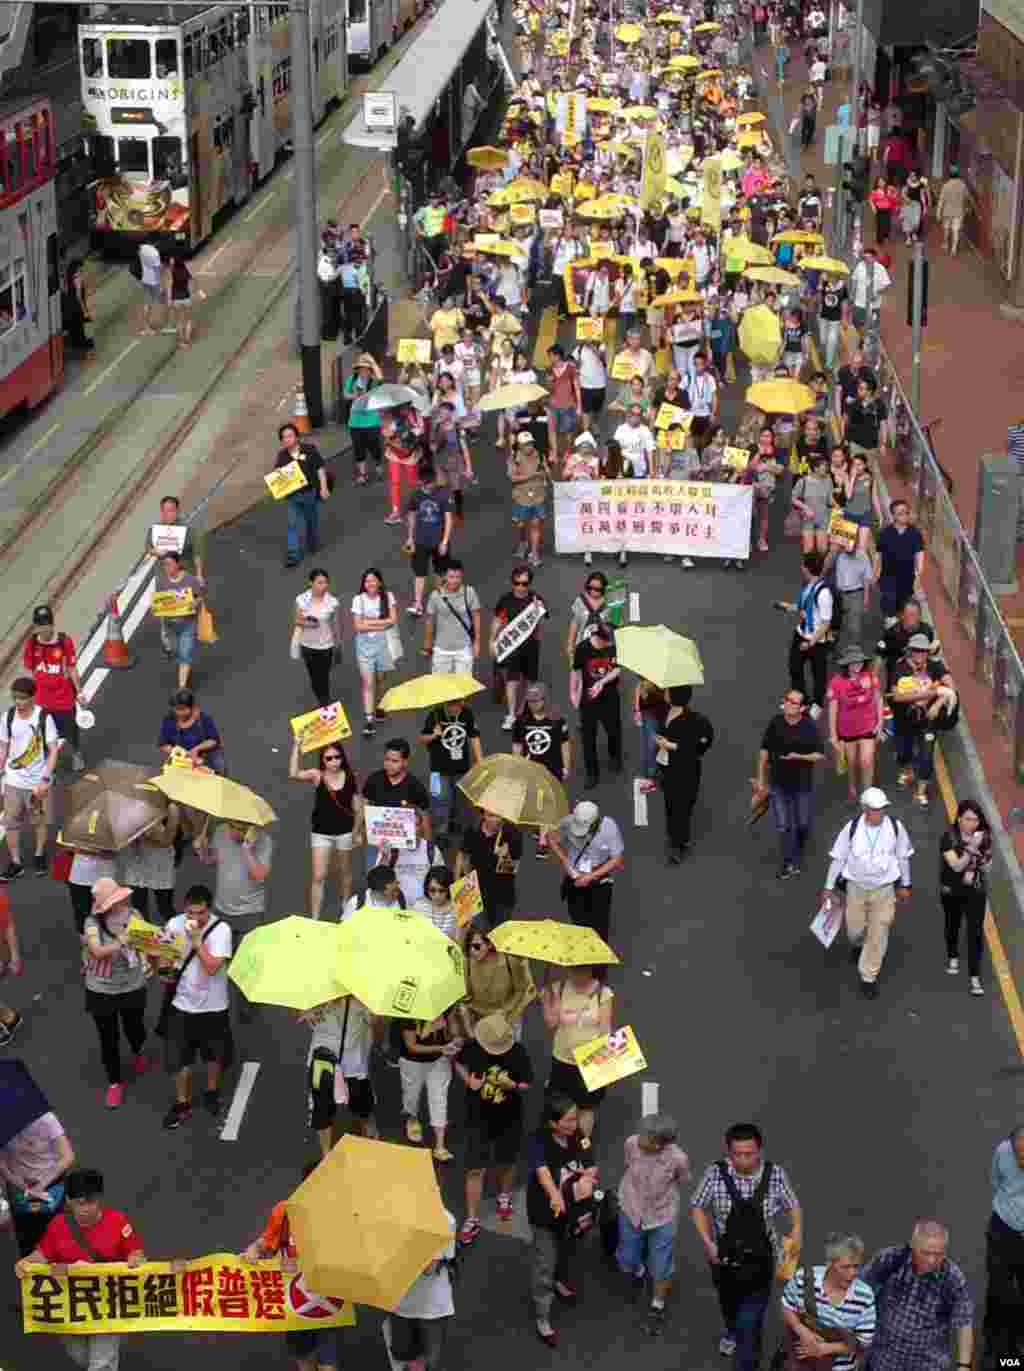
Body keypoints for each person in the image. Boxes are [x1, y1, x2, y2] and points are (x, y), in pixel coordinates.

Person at [690, 1122, 802, 1371]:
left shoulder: (775, 1175)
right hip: (723, 1261)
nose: (742, 1160)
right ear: (728, 1152)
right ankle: (733, 1330)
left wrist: (796, 1229)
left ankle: (747, 1356)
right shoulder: (715, 1173)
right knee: (729, 1305)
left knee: (749, 1324)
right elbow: (698, 1206)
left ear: (759, 1151)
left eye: (748, 1154)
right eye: (736, 1154)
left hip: (761, 1261)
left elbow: (792, 1205)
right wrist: (707, 1242)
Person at [15, 1167, 146, 1371]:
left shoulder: (117, 1221)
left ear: (99, 1199)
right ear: (68, 1201)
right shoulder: (58, 1225)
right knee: (80, 1355)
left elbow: (135, 1253)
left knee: (100, 1363)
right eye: (79, 1203)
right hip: (71, 1304)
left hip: (106, 1302)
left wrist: (135, 1259)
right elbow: (42, 1255)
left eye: (91, 1202)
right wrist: (25, 1263)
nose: (85, 1209)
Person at [243, 1160, 344, 1371]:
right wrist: (254, 1249)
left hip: (330, 1304)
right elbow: (266, 1241)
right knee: (305, 1362)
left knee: (329, 1366)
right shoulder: (285, 1212)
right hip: (295, 1304)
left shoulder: (344, 1216)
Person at [822, 788, 914, 999]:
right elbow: (838, 857)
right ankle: (857, 944)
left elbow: (903, 857)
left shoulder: (895, 827)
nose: (879, 814)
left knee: (879, 932)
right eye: (874, 810)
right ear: (864, 809)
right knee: (854, 929)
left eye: (882, 809)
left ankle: (868, 976)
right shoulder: (852, 828)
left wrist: (905, 885)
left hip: (884, 890)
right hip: (856, 888)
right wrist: (828, 887)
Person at [454, 1012, 534, 1246]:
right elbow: (457, 1062)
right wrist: (468, 1079)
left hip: (508, 1118)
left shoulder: (518, 1052)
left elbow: (527, 1082)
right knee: (474, 1169)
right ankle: (471, 1219)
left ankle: (504, 1195)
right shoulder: (473, 1047)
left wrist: (514, 1085)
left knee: (506, 1162)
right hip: (477, 1118)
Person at [526, 1093, 599, 1347]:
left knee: (567, 1249)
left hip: (574, 1209)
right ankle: (542, 1317)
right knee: (544, 1262)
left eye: (575, 1118)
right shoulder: (538, 1141)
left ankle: (560, 1280)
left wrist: (587, 1177)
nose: (574, 1124)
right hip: (545, 1212)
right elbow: (543, 1173)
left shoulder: (578, 1135)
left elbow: (590, 1164)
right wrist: (556, 1195)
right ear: (553, 1123)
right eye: (568, 1120)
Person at [161, 883, 233, 1130]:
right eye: (190, 913)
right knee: (180, 1059)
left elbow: (213, 966)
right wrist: (164, 969)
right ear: (185, 909)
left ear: (208, 910)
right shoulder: (173, 925)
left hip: (213, 1007)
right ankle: (182, 1103)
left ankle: (211, 1092)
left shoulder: (221, 930)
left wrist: (196, 941)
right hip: (182, 1004)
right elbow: (166, 958)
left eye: (200, 913)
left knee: (214, 1055)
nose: (195, 918)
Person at [861, 1221, 974, 1371]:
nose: (932, 1260)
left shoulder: (952, 1278)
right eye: (925, 1253)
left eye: (938, 1254)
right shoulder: (890, 1259)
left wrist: (964, 1366)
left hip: (927, 1364)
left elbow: (964, 1324)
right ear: (912, 1246)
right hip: (883, 1361)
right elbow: (858, 1293)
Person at [616, 1114, 691, 1337]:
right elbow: (627, 1164)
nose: (639, 1139)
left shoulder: (678, 1159)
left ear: (660, 1143)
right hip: (630, 1209)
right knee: (628, 1257)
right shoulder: (631, 1143)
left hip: (662, 1216)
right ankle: (638, 1272)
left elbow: (682, 1178)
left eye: (645, 1137)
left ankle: (657, 1305)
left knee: (661, 1266)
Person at [83, 877, 152, 1110]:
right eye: (117, 899)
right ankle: (114, 1082)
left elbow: (147, 943)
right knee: (108, 1038)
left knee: (135, 1027)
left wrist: (154, 954)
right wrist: (122, 941)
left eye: (121, 898)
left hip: (132, 985)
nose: (123, 901)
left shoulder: (135, 916)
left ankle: (138, 1050)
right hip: (101, 989)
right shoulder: (92, 923)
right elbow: (97, 951)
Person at [754, 689, 825, 880]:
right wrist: (761, 780)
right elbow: (764, 752)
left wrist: (799, 757)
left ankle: (799, 844)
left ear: (802, 708)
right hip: (778, 784)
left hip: (802, 784)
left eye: (794, 702)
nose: (788, 704)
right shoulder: (775, 723)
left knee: (802, 824)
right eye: (787, 700)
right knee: (784, 825)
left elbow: (820, 754)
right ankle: (788, 863)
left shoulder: (808, 726)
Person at [781, 1235, 877, 1369]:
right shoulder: (804, 1278)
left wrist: (824, 1349)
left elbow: (864, 1342)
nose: (853, 1273)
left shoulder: (865, 1296)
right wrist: (802, 1330)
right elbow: (787, 1305)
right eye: (845, 1267)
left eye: (856, 1266)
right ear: (829, 1264)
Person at [290, 740, 362, 917]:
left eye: (337, 757)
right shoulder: (317, 775)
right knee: (318, 875)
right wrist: (297, 746)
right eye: (329, 758)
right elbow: (294, 773)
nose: (334, 762)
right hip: (321, 833)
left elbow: (358, 807)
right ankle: (315, 917)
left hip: (345, 832)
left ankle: (345, 906)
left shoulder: (350, 776)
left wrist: (357, 832)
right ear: (322, 760)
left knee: (345, 872)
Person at [301, 994, 378, 1155]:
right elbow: (298, 1009)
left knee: (361, 1103)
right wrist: (305, 1011)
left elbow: (375, 1024)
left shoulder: (364, 993)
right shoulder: (316, 989)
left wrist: (372, 1016)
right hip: (323, 1058)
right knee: (321, 1107)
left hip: (355, 1061)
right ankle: (326, 1153)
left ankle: (366, 1135)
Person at [0, 675, 60, 881]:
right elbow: (4, 747)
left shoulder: (44, 718)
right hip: (13, 780)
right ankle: (16, 862)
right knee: (10, 822)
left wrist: (45, 779)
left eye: (23, 698)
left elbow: (53, 750)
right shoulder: (7, 717)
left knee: (39, 821)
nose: (18, 702)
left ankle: (39, 853)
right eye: (15, 698)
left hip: (37, 782)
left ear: (33, 697)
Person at [386, 1210, 457, 1371]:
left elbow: (428, 1268)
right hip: (401, 1303)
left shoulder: (444, 1220)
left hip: (432, 1308)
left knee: (432, 1363)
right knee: (402, 1354)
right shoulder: (391, 1216)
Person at [655, 685, 715, 865]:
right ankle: (675, 835)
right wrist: (660, 741)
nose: (664, 693)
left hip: (685, 772)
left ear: (675, 697)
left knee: (682, 806)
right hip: (668, 768)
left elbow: (699, 746)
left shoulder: (695, 721)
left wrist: (671, 746)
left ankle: (678, 844)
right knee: (670, 803)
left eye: (667, 691)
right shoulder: (665, 711)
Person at [549, 800, 624, 942]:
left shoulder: (609, 827)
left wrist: (590, 877)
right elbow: (552, 839)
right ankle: (582, 951)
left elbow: (617, 859)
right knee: (578, 919)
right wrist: (565, 861)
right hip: (574, 877)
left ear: (595, 823)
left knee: (599, 922)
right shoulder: (568, 823)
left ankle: (599, 958)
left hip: (599, 879)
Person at [23, 605, 86, 772]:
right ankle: (48, 761)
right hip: (42, 701)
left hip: (64, 700)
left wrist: (79, 692)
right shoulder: (31, 644)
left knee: (70, 731)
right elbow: (30, 668)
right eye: (39, 625)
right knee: (44, 734)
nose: (43, 628)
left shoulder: (64, 642)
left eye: (46, 624)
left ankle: (76, 753)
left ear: (52, 624)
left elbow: (72, 668)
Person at [940, 799, 991, 996]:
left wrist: (981, 859)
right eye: (968, 819)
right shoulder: (948, 838)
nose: (972, 824)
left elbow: (987, 863)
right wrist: (971, 849)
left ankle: (974, 977)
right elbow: (957, 866)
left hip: (975, 890)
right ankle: (952, 954)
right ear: (959, 818)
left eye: (976, 820)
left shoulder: (983, 836)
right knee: (953, 924)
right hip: (952, 889)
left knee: (976, 932)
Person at [400, 1008, 462, 1161]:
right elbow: (411, 1046)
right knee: (411, 1096)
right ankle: (412, 1118)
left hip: (439, 1060)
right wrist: (438, 1044)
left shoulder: (447, 1007)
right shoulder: (407, 1010)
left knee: (439, 1098)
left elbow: (454, 1035)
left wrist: (454, 1038)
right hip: (412, 1061)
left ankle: (440, 1146)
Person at [418, 695, 482, 846]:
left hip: (462, 768)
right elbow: (421, 738)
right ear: (447, 704)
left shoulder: (467, 713)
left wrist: (480, 760)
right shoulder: (435, 714)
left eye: (460, 704)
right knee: (439, 800)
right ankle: (440, 833)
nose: (457, 707)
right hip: (437, 770)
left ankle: (459, 826)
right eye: (454, 704)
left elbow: (474, 737)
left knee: (461, 799)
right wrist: (434, 734)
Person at [984, 1128, 1024, 1366]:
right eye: (1018, 1154)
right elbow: (996, 1181)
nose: (1021, 1161)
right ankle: (1001, 1353)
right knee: (1000, 1289)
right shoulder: (1002, 1151)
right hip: (1003, 1229)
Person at [358, 738, 431, 866]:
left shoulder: (415, 787)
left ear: (405, 762)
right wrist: (357, 830)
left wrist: (427, 846)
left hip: (403, 844)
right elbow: (363, 805)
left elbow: (424, 816)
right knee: (374, 876)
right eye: (386, 760)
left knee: (400, 880)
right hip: (377, 842)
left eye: (395, 761)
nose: (389, 765)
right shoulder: (374, 780)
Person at [492, 565, 547, 730]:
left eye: (525, 583)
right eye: (517, 583)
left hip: (531, 645)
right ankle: (511, 714)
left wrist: (538, 608)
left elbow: (543, 619)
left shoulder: (536, 598)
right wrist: (491, 640)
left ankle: (525, 711)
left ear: (529, 583)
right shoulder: (505, 600)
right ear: (512, 583)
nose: (521, 587)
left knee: (530, 681)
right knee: (512, 680)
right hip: (512, 647)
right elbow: (498, 621)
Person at [459, 918, 536, 1034]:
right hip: (480, 1020)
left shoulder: (510, 959)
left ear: (490, 944)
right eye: (468, 946)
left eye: (476, 946)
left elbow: (521, 990)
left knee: (511, 1049)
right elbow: (465, 996)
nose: (472, 951)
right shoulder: (467, 962)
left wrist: (504, 1013)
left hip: (508, 1019)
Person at [571, 619, 622, 789]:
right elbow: (576, 672)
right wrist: (574, 693)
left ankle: (615, 757)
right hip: (589, 698)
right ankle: (592, 773)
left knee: (614, 730)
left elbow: (617, 668)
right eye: (607, 641)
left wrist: (603, 682)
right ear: (599, 637)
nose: (610, 644)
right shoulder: (583, 649)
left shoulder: (613, 646)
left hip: (610, 696)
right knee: (588, 737)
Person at [828, 646, 883, 801]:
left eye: (859, 661)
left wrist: (880, 723)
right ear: (846, 664)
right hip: (847, 730)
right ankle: (852, 785)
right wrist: (833, 736)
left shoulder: (871, 677)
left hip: (868, 726)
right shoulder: (836, 683)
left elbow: (878, 699)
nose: (857, 664)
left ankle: (867, 794)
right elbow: (833, 709)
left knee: (866, 760)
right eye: (853, 662)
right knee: (851, 762)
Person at [273, 423, 331, 569]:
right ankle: (293, 554)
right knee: (292, 524)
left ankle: (313, 543)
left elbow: (320, 469)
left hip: (309, 493)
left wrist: (323, 488)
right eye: (284, 437)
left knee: (311, 520)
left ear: (297, 437)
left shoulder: (309, 450)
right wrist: (279, 488)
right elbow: (279, 478)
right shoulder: (282, 456)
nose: (287, 439)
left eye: (290, 436)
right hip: (293, 497)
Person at [351, 567, 399, 738]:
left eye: (373, 580)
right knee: (368, 683)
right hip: (364, 648)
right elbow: (357, 626)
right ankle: (369, 719)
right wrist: (381, 623)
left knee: (380, 679)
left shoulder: (388, 597)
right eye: (367, 581)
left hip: (383, 645)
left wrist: (368, 622)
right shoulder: (358, 599)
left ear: (379, 582)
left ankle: (378, 706)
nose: (370, 583)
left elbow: (393, 621)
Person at [404, 463, 453, 619]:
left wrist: (445, 542)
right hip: (420, 542)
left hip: (438, 541)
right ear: (421, 482)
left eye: (430, 483)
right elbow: (411, 516)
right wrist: (410, 538)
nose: (428, 487)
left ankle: (441, 601)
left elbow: (448, 519)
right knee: (420, 573)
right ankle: (417, 604)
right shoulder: (415, 496)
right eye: (425, 484)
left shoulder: (443, 495)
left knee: (440, 572)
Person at [118, 801, 178, 924]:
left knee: (164, 907)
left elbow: (167, 840)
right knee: (139, 907)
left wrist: (143, 838)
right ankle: (145, 938)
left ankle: (181, 933)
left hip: (160, 862)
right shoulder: (129, 806)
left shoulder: (171, 807)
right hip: (136, 860)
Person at [458, 809, 522, 926]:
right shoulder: (472, 831)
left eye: (499, 816)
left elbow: (512, 870)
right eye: (491, 815)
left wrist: (505, 857)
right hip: (475, 892)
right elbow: (463, 857)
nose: (496, 820)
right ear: (482, 815)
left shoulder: (512, 834)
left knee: (498, 937)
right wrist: (461, 885)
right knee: (475, 934)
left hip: (502, 895)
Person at [153, 550, 203, 689]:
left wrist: (195, 603)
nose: (166, 568)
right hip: (170, 625)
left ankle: (182, 688)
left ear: (178, 564)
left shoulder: (190, 580)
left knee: (185, 653)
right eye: (164, 565)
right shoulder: (161, 581)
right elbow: (159, 601)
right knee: (177, 651)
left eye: (169, 564)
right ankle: (184, 666)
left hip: (188, 624)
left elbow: (199, 596)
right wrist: (157, 608)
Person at [293, 568, 342, 708]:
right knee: (314, 676)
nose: (324, 586)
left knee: (323, 676)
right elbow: (297, 620)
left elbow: (336, 623)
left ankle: (324, 701)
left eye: (326, 582)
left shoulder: (333, 602)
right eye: (320, 582)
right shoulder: (301, 600)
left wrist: (338, 643)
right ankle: (321, 698)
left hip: (326, 645)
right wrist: (309, 623)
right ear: (311, 583)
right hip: (307, 645)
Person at [424, 560, 481, 676]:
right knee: (441, 688)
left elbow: (476, 617)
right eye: (451, 577)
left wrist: (477, 642)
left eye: (458, 577)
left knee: (464, 688)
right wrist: (428, 644)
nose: (454, 580)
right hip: (441, 649)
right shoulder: (435, 596)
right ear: (445, 576)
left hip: (464, 649)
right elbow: (429, 621)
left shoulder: (469, 592)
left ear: (462, 576)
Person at [874, 500, 925, 623]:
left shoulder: (915, 534)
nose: (905, 515)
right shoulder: (885, 533)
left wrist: (919, 574)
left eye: (907, 512)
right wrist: (875, 573)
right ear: (894, 515)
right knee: (889, 605)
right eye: (901, 513)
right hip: (888, 578)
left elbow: (920, 554)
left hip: (907, 579)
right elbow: (878, 555)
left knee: (903, 608)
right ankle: (889, 625)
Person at [507, 431, 548, 568]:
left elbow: (546, 472)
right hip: (521, 497)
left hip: (538, 496)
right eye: (525, 445)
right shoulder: (513, 458)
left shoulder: (540, 455)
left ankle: (534, 553)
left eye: (530, 443)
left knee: (535, 525)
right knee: (520, 525)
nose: (529, 447)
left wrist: (545, 473)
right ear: (519, 446)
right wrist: (531, 476)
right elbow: (512, 478)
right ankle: (523, 542)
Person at [158, 688, 224, 773]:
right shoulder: (169, 720)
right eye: (176, 709)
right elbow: (163, 744)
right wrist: (177, 752)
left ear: (192, 707)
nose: (179, 713)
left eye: (183, 709)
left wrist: (196, 749)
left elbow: (213, 740)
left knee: (216, 772)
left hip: (206, 758)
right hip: (183, 760)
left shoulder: (204, 719)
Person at [344, 354, 385, 485]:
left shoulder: (374, 381)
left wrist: (372, 361)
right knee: (358, 448)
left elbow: (381, 378)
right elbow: (345, 394)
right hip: (355, 421)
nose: (363, 371)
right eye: (361, 368)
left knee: (374, 447)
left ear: (370, 370)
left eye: (366, 368)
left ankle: (378, 466)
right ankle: (362, 474)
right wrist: (353, 396)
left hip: (372, 421)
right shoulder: (352, 379)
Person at [936, 166, 975, 256]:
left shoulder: (946, 185)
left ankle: (946, 244)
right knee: (956, 230)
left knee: (946, 228)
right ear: (958, 174)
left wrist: (938, 212)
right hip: (959, 211)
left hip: (947, 211)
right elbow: (968, 197)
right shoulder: (963, 185)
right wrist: (970, 206)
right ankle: (954, 248)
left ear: (950, 174)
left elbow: (941, 200)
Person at [166, 256, 194, 348]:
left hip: (177, 300)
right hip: (187, 298)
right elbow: (192, 281)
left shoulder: (172, 272)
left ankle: (182, 342)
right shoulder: (185, 271)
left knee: (179, 321)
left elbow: (170, 285)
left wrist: (169, 299)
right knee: (188, 320)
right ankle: (187, 340)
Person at [138, 238, 163, 334]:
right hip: (153, 281)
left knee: (147, 303)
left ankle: (146, 327)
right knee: (162, 299)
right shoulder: (155, 253)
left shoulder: (142, 248)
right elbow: (157, 269)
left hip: (145, 279)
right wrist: (160, 284)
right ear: (156, 241)